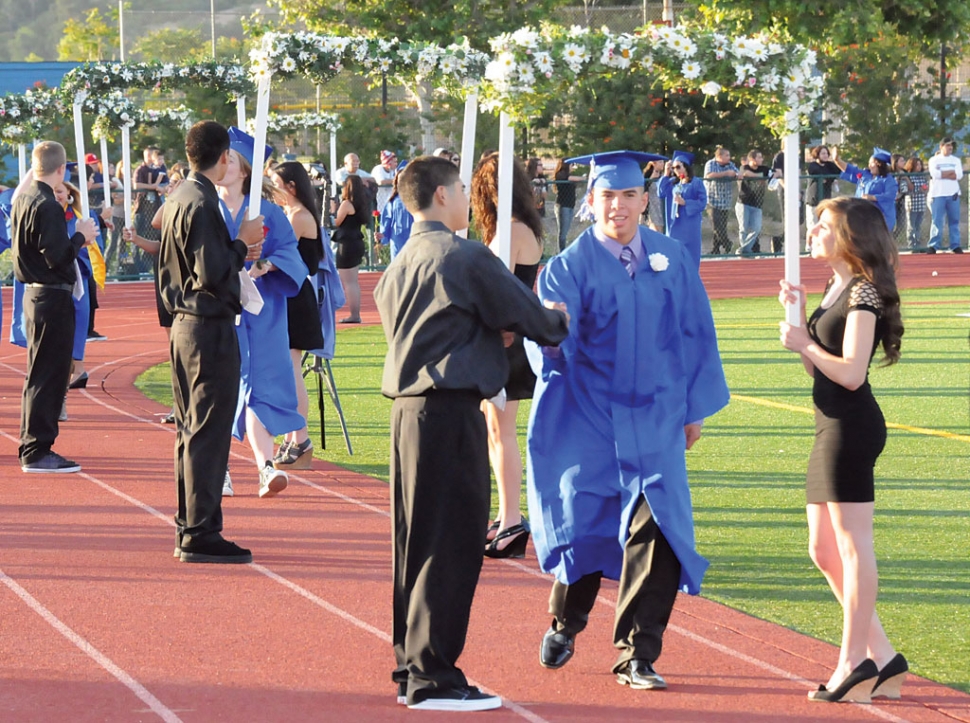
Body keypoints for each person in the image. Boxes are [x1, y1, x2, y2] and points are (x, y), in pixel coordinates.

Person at [527, 150, 729, 690]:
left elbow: (695, 333)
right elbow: (550, 340)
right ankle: (567, 621)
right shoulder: (567, 267)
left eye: (628, 195)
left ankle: (637, 654)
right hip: (592, 416)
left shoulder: (671, 257)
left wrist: (693, 409)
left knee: (658, 528)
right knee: (588, 523)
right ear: (589, 201)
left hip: (659, 415)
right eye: (607, 196)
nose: (617, 206)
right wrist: (551, 333)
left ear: (645, 199)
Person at [374, 155, 568, 711]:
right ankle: (435, 676)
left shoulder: (400, 261)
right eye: (459, 188)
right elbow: (529, 314)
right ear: (440, 196)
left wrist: (484, 337)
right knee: (451, 544)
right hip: (449, 412)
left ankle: (414, 666)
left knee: (413, 542)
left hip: (408, 413)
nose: (465, 197)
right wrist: (559, 319)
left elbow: (428, 331)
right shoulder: (463, 255)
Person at [779, 196, 906, 704]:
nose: (812, 232)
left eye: (823, 226)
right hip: (829, 423)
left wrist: (804, 343)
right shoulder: (837, 287)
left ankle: (854, 663)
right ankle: (884, 655)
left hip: (850, 428)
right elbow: (818, 369)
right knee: (823, 549)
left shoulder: (865, 294)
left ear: (850, 237)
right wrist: (798, 318)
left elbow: (852, 373)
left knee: (853, 546)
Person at [158, 120, 264, 563]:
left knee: (191, 429)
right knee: (207, 430)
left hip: (185, 324)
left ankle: (192, 524)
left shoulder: (180, 195)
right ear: (224, 157)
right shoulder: (201, 201)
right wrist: (242, 243)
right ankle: (200, 530)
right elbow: (214, 271)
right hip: (205, 326)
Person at [218, 127, 308, 498]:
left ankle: (265, 468)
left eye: (229, 160)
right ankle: (218, 468)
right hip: (220, 310)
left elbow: (292, 255)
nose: (221, 165)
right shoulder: (206, 207)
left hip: (264, 311)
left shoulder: (269, 211)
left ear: (243, 171)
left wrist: (267, 264)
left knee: (261, 391)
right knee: (221, 389)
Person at [471, 152, 545, 559]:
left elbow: (498, 289)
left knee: (502, 432)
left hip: (505, 340)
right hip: (507, 337)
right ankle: (506, 516)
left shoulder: (512, 230)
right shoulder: (522, 226)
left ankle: (512, 519)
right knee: (497, 432)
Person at [11, 141, 97, 473]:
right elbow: (58, 256)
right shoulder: (46, 203)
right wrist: (80, 236)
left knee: (40, 373)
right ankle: (37, 449)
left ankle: (32, 444)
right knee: (49, 374)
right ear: (61, 169)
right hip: (50, 295)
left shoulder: (24, 197)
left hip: (36, 295)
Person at [269, 160, 327, 470]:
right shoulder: (291, 214)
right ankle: (294, 436)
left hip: (296, 297)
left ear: (291, 186)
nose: (271, 189)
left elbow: (275, 251)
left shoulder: (300, 216)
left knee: (292, 370)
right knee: (287, 369)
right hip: (288, 295)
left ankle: (300, 437)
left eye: (275, 183)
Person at [658, 151, 707, 267]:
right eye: (673, 168)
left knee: (691, 256)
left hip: (690, 225)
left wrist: (686, 203)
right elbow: (660, 193)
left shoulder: (696, 183)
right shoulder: (672, 183)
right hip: (674, 225)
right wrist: (666, 172)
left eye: (678, 167)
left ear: (686, 167)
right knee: (673, 255)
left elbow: (702, 202)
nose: (676, 170)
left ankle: (691, 281)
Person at [832, 147, 898, 232]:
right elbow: (849, 169)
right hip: (862, 214)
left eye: (871, 163)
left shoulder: (888, 179)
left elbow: (890, 195)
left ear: (879, 164)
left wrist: (873, 197)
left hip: (880, 218)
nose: (869, 166)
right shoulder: (865, 175)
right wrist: (837, 160)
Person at [331, 174, 368, 323]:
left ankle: (354, 314)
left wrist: (333, 210)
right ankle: (355, 314)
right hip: (356, 241)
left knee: (349, 282)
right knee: (353, 281)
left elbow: (336, 222)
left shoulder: (346, 204)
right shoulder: (361, 203)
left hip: (347, 243)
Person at [926, 137, 963, 254]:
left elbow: (959, 175)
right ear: (941, 147)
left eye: (951, 145)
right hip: (938, 194)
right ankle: (933, 245)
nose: (950, 147)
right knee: (937, 221)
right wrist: (949, 173)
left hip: (953, 194)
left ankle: (955, 245)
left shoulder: (956, 160)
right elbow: (935, 174)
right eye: (947, 145)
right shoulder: (934, 160)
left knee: (954, 221)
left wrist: (943, 174)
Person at [703, 146, 738, 254]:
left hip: (725, 200)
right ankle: (728, 244)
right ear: (719, 156)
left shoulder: (730, 165)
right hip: (712, 200)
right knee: (717, 225)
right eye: (726, 155)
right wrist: (725, 173)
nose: (729, 157)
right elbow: (709, 175)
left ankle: (715, 249)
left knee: (722, 226)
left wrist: (736, 174)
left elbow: (737, 173)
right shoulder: (711, 164)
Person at [736, 149, 771, 255]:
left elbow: (771, 174)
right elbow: (745, 173)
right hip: (743, 202)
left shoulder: (764, 169)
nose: (761, 159)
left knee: (756, 228)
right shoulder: (744, 167)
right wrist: (761, 177)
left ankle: (743, 249)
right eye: (759, 157)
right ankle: (745, 252)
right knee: (743, 228)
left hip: (757, 204)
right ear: (752, 159)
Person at [377, 171, 414, 261]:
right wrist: (382, 235)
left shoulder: (418, 199)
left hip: (414, 236)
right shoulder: (393, 201)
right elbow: (387, 220)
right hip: (398, 238)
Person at [806, 145, 841, 226]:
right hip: (814, 201)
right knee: (813, 225)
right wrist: (829, 179)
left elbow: (838, 171)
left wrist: (830, 179)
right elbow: (819, 174)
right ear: (817, 155)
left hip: (826, 201)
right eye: (823, 153)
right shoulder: (813, 165)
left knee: (825, 225)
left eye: (826, 153)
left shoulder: (829, 165)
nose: (825, 155)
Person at [902, 157, 928, 251]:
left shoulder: (923, 176)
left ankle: (918, 244)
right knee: (911, 226)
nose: (919, 166)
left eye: (920, 164)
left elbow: (926, 188)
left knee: (918, 226)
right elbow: (907, 191)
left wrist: (924, 190)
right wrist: (918, 190)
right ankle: (912, 245)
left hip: (921, 204)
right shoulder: (908, 176)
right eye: (917, 164)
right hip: (911, 205)